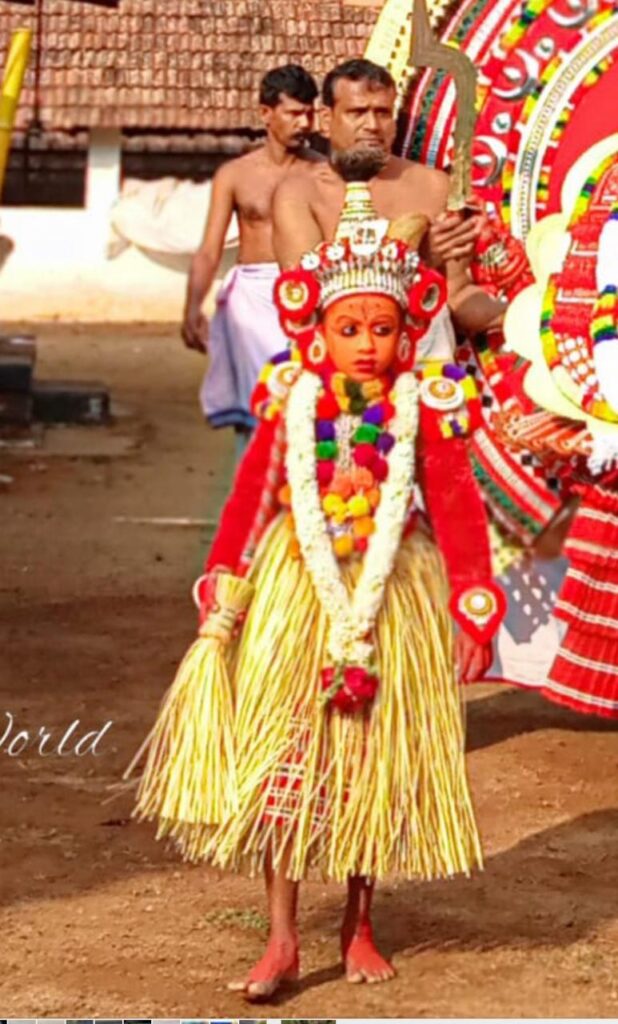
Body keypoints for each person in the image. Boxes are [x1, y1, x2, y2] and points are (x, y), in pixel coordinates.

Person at [133, 183, 506, 1000]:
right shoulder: (291, 398)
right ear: (320, 332)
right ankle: (280, 938)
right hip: (295, 588)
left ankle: (360, 922)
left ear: (407, 332)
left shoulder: (429, 402)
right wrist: (225, 576)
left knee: (373, 762)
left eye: (382, 329)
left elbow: (452, 502)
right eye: (349, 330)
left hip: (391, 595)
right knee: (284, 762)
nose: (366, 345)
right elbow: (252, 494)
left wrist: (472, 600)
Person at [273, 59, 506, 337]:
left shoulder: (434, 186)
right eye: (357, 112)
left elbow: (457, 296)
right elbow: (310, 303)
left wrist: (525, 318)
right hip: (336, 368)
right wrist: (419, 261)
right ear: (326, 120)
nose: (372, 125)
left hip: (426, 365)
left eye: (383, 113)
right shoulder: (298, 193)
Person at [182, 64, 319, 458]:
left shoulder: (324, 174)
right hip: (250, 305)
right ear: (265, 114)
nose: (304, 122)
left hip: (307, 298)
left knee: (306, 404)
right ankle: (254, 503)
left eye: (309, 112)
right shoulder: (235, 175)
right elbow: (209, 249)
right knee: (257, 410)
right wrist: (192, 307)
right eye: (294, 113)